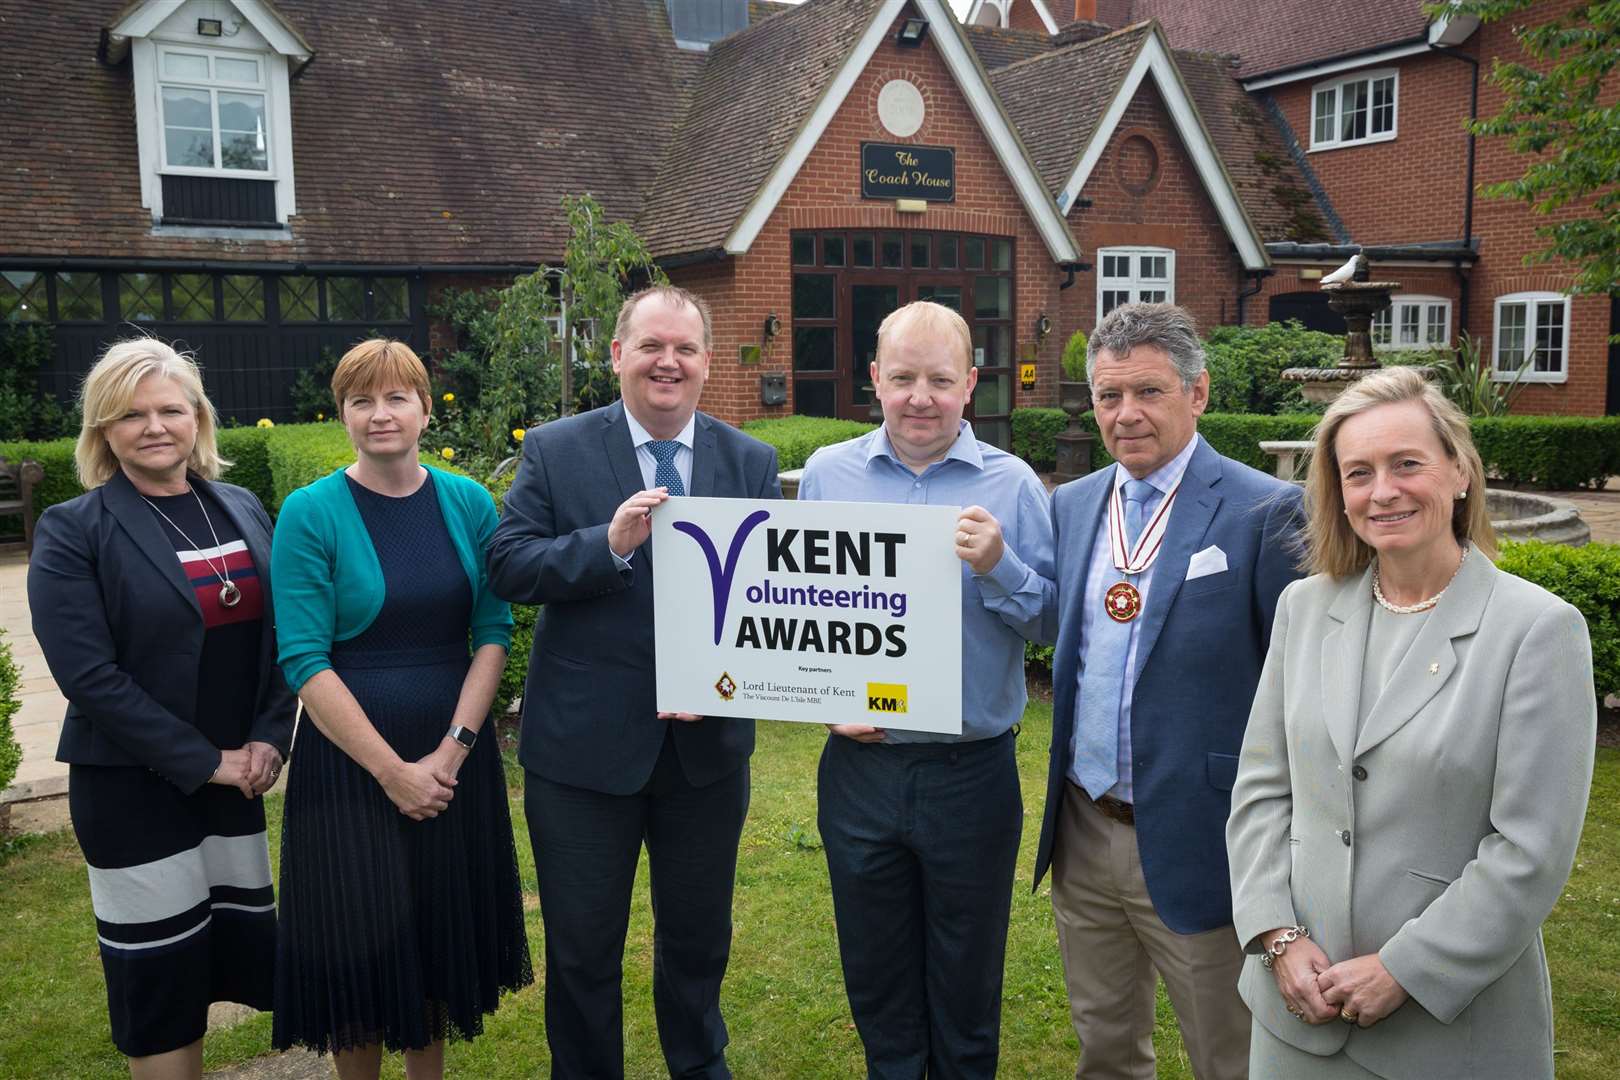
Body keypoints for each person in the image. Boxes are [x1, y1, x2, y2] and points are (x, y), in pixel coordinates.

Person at [1226, 366, 1596, 1079]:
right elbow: (1262, 790)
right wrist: (1276, 935)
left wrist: (1405, 967)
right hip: (1297, 1013)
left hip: (1447, 1028)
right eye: (1358, 473)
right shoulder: (1305, 609)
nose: (1383, 491)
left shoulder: (1537, 631)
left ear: (1459, 471)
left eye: (1407, 464)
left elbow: (1531, 850)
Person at [487, 284, 781, 1079]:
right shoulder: (557, 449)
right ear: (616, 355)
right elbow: (508, 563)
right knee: (583, 945)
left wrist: (746, 678)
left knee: (697, 938)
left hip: (706, 754)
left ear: (707, 364)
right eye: (651, 345)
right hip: (582, 754)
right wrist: (605, 545)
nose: (668, 362)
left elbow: (768, 603)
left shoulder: (749, 461)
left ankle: (698, 1065)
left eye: (685, 349)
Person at [1034, 303, 1303, 1080]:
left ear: (1199, 393)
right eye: (1108, 396)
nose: (1126, 415)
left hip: (1203, 836)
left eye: (1148, 392)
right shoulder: (1073, 504)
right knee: (1105, 1045)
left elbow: (1298, 687)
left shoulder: (1265, 511)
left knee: (1229, 1053)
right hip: (1084, 827)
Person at [796, 300, 1055, 1078]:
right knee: (877, 981)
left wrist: (1000, 565)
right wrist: (824, 702)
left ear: (970, 384)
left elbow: (1049, 621)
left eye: (939, 380)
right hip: (861, 775)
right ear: (874, 379)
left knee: (966, 981)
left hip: (968, 773)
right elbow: (805, 612)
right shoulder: (826, 476)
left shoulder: (1013, 487)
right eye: (903, 377)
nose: (920, 397)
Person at [27, 339, 294, 1080]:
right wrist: (205, 761)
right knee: (161, 985)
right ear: (102, 430)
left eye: (171, 409)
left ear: (198, 417)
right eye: (131, 414)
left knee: (226, 959)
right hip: (133, 790)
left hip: (236, 785)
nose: (154, 426)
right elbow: (89, 677)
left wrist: (271, 738)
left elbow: (286, 635)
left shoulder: (239, 505)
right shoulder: (73, 529)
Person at [269, 339, 531, 1080]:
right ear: (342, 414)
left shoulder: (468, 502)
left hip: (453, 763)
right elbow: (304, 660)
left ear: (424, 407)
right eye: (361, 401)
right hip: (352, 767)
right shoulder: (310, 512)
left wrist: (450, 753)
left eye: (396, 398)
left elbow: (492, 632)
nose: (380, 414)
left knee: (434, 940)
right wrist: (392, 772)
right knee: (358, 951)